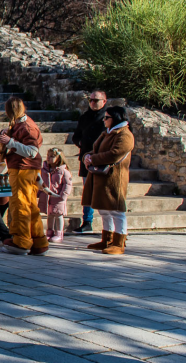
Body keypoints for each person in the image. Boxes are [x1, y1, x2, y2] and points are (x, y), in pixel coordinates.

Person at [0, 97, 49, 256]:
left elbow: (32, 152)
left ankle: (21, 240)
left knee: (20, 204)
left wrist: (10, 141)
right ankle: (38, 240)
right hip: (23, 169)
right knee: (30, 205)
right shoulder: (20, 124)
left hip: (23, 169)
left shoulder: (27, 127)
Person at [82, 106, 134, 255]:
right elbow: (96, 149)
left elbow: (115, 154)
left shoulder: (125, 135)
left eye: (107, 118)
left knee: (116, 210)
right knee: (104, 209)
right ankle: (106, 239)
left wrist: (94, 159)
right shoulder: (107, 133)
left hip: (114, 178)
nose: (104, 120)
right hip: (101, 177)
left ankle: (119, 242)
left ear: (115, 119)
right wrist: (88, 156)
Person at [71, 90, 108, 234]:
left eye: (96, 100)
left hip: (101, 160)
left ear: (104, 101)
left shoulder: (107, 118)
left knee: (102, 192)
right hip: (86, 159)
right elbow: (76, 136)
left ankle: (108, 226)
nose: (93, 103)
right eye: (91, 100)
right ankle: (87, 221)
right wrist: (82, 144)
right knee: (88, 191)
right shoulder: (85, 117)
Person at [39, 148, 73, 243]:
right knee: (50, 215)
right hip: (47, 197)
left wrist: (63, 196)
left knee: (58, 215)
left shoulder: (63, 171)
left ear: (59, 158)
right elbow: (41, 182)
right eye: (48, 156)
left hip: (58, 198)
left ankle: (59, 233)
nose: (48, 158)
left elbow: (68, 184)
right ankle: (49, 232)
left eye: (52, 156)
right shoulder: (44, 170)